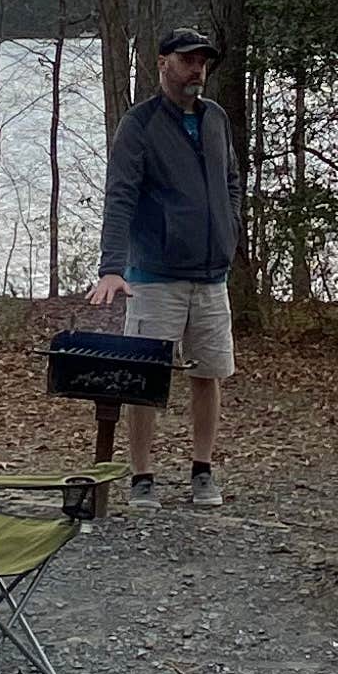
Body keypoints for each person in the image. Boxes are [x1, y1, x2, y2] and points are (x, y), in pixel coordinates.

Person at [81, 28, 238, 507]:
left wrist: (230, 226)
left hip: (211, 275)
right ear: (163, 62)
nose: (197, 70)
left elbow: (231, 179)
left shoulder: (215, 119)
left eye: (203, 62)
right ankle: (142, 476)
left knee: (207, 373)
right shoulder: (140, 124)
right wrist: (112, 266)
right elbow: (121, 196)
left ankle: (203, 469)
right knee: (145, 378)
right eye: (188, 60)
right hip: (155, 275)